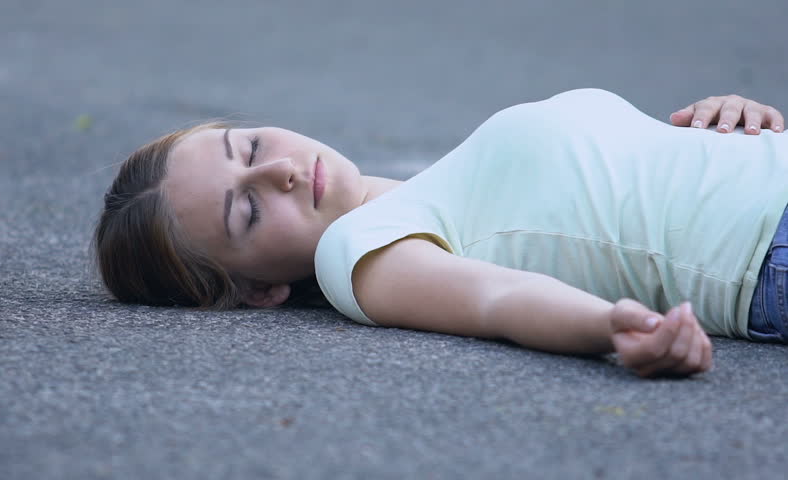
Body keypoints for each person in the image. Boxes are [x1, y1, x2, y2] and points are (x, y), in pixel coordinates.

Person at [94, 89, 787, 378]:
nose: (279, 170)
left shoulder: (438, 185)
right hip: (765, 247)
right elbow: (496, 300)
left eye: (248, 148)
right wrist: (612, 325)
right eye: (246, 211)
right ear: (259, 291)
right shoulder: (359, 250)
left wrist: (726, 117)